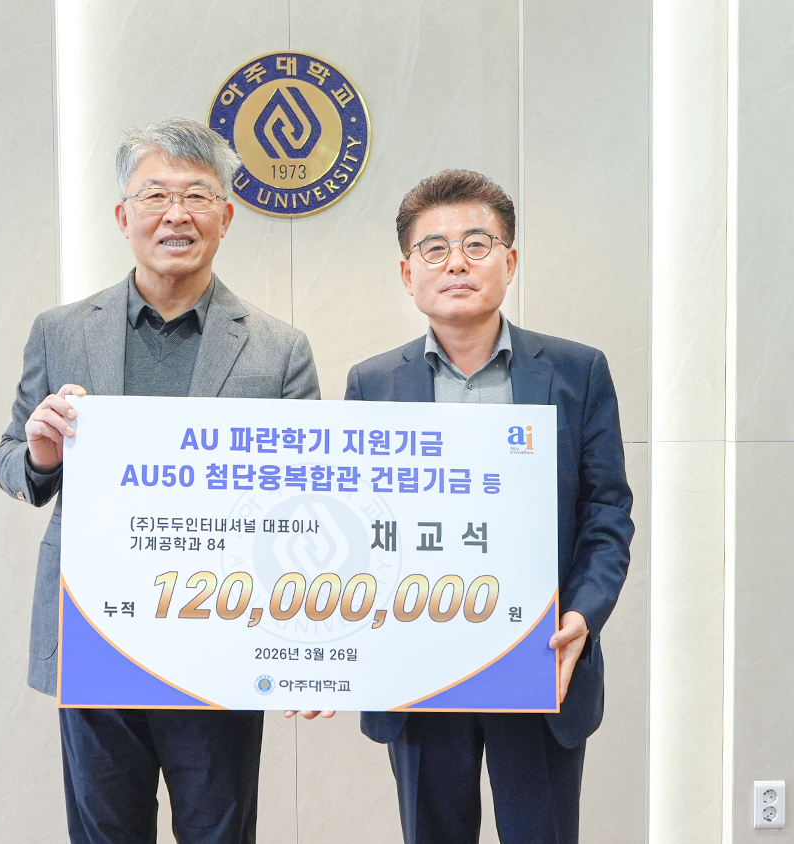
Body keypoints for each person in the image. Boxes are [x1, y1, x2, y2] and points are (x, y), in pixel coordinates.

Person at [0, 117, 320, 844]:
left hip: (223, 634)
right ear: (123, 216)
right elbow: (12, 457)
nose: (177, 214)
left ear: (226, 217)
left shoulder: (279, 349)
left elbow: (307, 503)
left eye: (198, 196)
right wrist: (43, 455)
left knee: (219, 833)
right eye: (155, 195)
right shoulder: (61, 330)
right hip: (95, 631)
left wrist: (305, 647)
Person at [345, 170, 633, 844]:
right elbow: (354, 525)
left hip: (539, 660)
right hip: (419, 666)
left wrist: (581, 615)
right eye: (434, 249)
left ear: (510, 261)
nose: (456, 263)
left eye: (477, 245)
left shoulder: (577, 372)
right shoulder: (373, 384)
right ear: (407, 273)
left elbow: (607, 515)